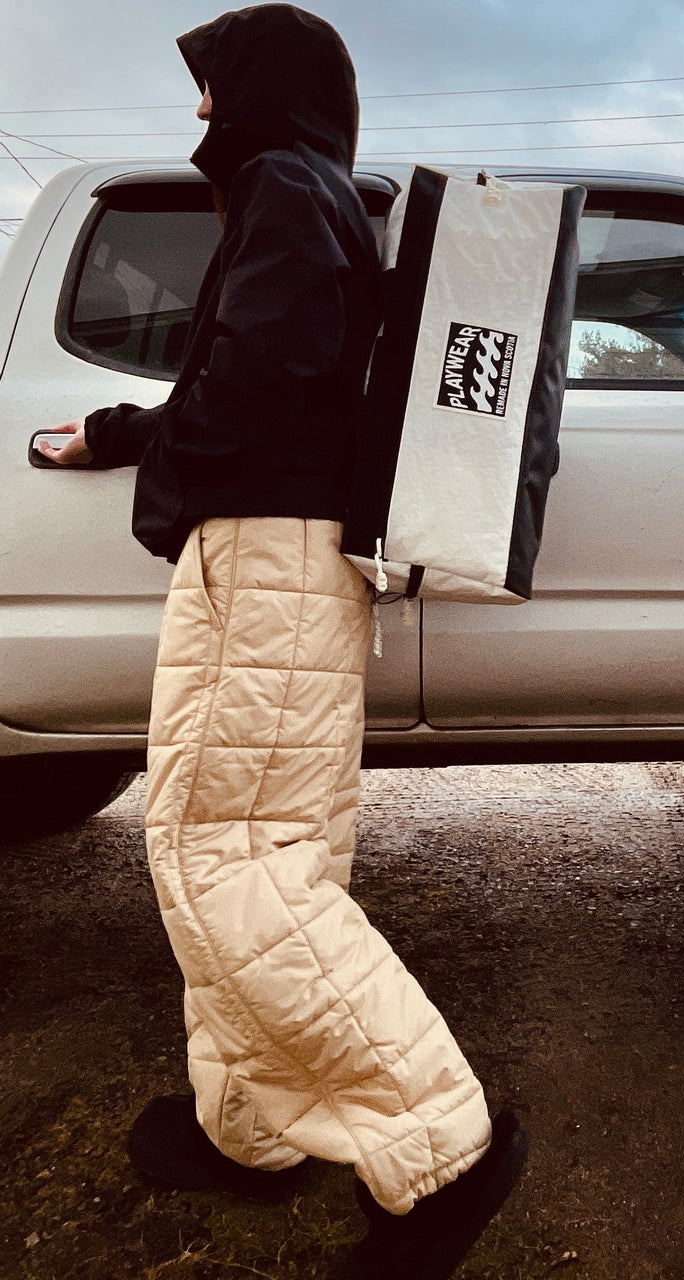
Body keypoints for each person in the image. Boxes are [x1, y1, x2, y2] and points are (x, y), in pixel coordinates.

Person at [40, 6, 527, 1277]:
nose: (198, 112)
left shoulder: (280, 187)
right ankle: (250, 1125)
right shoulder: (307, 193)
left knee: (223, 858)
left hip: (263, 555)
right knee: (263, 846)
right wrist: (118, 435)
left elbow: (259, 374)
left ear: (260, 89)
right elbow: (258, 376)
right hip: (283, 556)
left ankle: (445, 1146)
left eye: (210, 86)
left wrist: (173, 471)